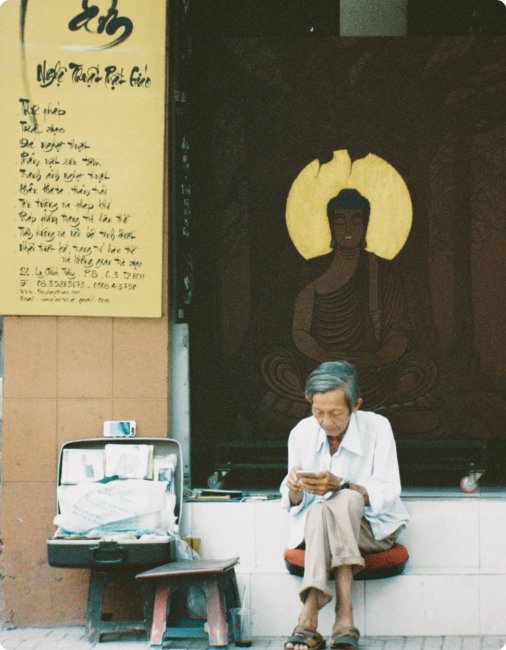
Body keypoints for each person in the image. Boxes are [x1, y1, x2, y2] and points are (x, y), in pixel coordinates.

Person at [280, 360, 409, 650]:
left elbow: (389, 492)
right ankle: (344, 618)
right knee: (320, 509)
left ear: (356, 405)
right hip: (317, 530)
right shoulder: (301, 433)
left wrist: (342, 485)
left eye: (335, 413)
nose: (326, 421)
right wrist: (294, 489)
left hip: (371, 530)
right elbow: (292, 501)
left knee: (345, 499)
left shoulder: (378, 428)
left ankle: (309, 616)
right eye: (318, 412)